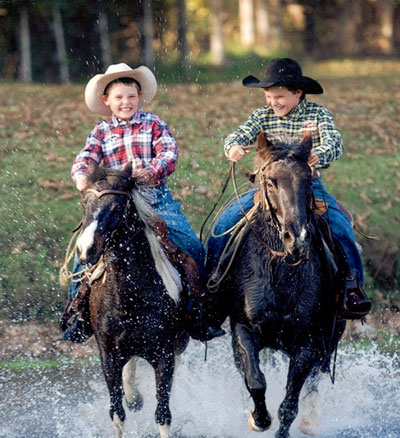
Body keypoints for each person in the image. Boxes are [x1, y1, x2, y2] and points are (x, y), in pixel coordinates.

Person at [60, 63, 225, 342]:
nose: (125, 103)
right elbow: (85, 157)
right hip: (114, 202)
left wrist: (150, 171)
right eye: (119, 98)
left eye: (131, 97)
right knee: (84, 250)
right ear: (107, 101)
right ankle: (79, 312)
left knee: (191, 245)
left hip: (153, 198)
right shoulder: (101, 132)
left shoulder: (153, 123)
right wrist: (82, 177)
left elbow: (169, 152)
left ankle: (195, 309)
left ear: (139, 97)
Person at [206, 58, 371, 319]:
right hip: (269, 190)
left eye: (279, 96)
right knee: (224, 225)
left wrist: (320, 153)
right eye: (269, 97)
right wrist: (233, 147)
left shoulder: (317, 115)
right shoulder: (261, 116)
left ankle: (352, 286)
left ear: (298, 93)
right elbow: (238, 134)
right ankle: (214, 283)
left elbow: (334, 140)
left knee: (340, 227)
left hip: (308, 188)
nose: (274, 102)